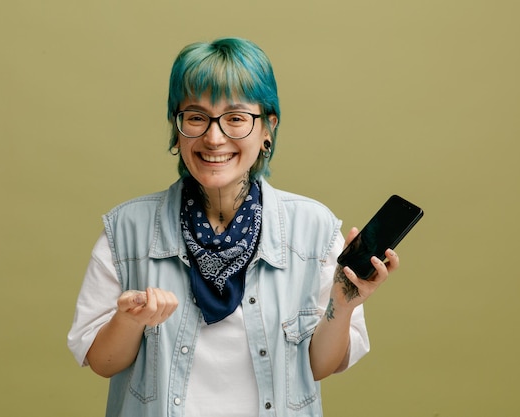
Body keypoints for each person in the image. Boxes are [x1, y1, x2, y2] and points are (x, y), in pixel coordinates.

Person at [67, 37, 399, 417]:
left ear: (267, 129)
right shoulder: (126, 230)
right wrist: (129, 320)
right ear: (176, 129)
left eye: (236, 118)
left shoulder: (315, 230)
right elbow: (103, 363)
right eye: (196, 117)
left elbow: (318, 368)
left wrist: (342, 304)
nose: (213, 137)